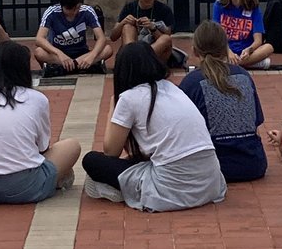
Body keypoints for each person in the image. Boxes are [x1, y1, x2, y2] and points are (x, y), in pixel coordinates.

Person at [81, 42, 227, 210]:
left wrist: (112, 107)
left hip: (172, 189)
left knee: (91, 160)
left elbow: (111, 151)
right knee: (134, 160)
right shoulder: (171, 88)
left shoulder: (129, 98)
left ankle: (124, 190)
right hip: (211, 183)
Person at [0, 42, 80, 203]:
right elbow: (42, 147)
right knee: (72, 145)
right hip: (26, 188)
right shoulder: (37, 99)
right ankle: (53, 179)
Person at [179, 20, 267, 181]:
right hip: (253, 163)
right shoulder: (244, 76)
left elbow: (181, 130)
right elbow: (255, 123)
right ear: (225, 48)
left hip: (214, 167)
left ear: (194, 51)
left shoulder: (191, 82)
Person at [34, 0, 112, 76]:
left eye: (77, 8)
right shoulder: (52, 12)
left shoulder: (87, 11)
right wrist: (59, 54)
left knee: (108, 49)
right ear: (61, 5)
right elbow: (39, 39)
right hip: (59, 55)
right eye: (69, 9)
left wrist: (92, 56)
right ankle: (82, 67)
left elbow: (101, 38)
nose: (74, 12)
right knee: (39, 52)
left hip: (82, 53)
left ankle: (64, 68)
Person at [110, 0, 175, 65]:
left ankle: (137, 62)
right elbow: (113, 37)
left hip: (154, 53)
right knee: (127, 27)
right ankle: (134, 61)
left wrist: (153, 28)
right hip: (133, 49)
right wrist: (123, 23)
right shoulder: (129, 8)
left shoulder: (164, 9)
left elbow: (166, 39)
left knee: (166, 39)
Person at [213, 0, 273, 69]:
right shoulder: (219, 6)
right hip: (225, 49)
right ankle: (250, 64)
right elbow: (217, 36)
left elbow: (258, 40)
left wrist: (249, 50)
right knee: (208, 49)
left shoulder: (253, 8)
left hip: (244, 52)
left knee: (268, 48)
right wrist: (229, 52)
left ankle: (233, 64)